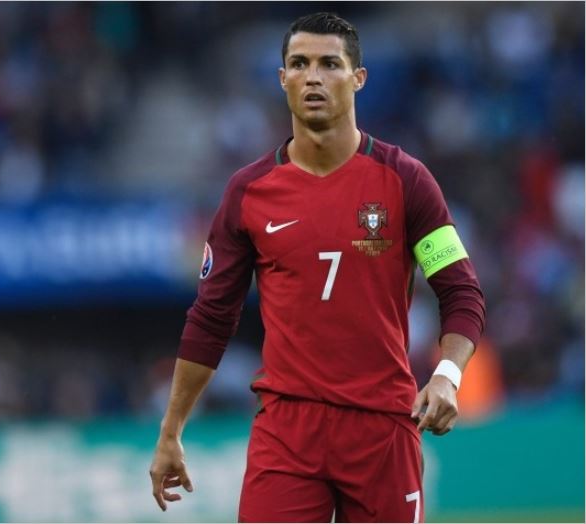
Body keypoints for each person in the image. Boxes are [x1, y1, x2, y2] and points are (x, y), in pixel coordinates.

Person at [149, 12, 485, 523]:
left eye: (329, 64)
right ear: (282, 78)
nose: (313, 77)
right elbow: (212, 318)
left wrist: (446, 376)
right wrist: (171, 429)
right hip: (288, 431)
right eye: (299, 64)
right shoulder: (248, 192)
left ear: (358, 77)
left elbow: (461, 292)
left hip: (382, 427)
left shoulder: (406, 181)